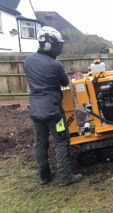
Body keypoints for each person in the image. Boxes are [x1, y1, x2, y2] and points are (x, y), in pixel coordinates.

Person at [24, 26, 83, 186]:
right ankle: (65, 177)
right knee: (61, 141)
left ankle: (44, 176)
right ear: (49, 45)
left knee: (40, 143)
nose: (59, 48)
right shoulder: (55, 65)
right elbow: (64, 82)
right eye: (57, 45)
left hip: (35, 111)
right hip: (53, 112)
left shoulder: (28, 61)